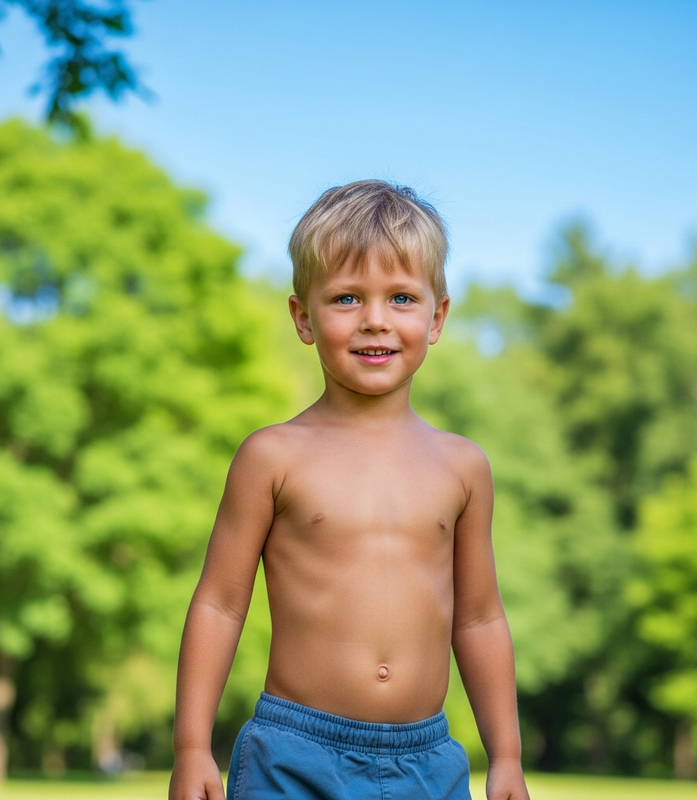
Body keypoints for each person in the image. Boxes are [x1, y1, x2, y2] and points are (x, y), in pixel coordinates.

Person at [168, 179, 530, 800]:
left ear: (437, 316)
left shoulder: (463, 466)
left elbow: (478, 618)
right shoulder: (272, 456)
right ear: (303, 317)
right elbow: (219, 604)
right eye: (345, 298)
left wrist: (507, 756)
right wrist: (192, 747)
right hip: (293, 756)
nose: (375, 321)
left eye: (401, 298)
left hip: (428, 764)